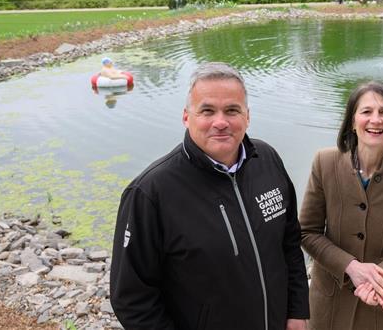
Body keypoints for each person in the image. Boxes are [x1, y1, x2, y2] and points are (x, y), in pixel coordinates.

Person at [110, 62, 309, 330]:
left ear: (247, 116)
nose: (220, 122)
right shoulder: (150, 193)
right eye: (207, 111)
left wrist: (297, 311)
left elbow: (290, 243)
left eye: (232, 110)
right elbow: (132, 298)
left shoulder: (268, 161)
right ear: (186, 116)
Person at [300, 81, 383, 330]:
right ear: (352, 121)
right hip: (330, 301)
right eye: (366, 111)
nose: (376, 120)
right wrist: (351, 267)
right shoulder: (324, 162)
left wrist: (377, 280)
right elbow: (307, 232)